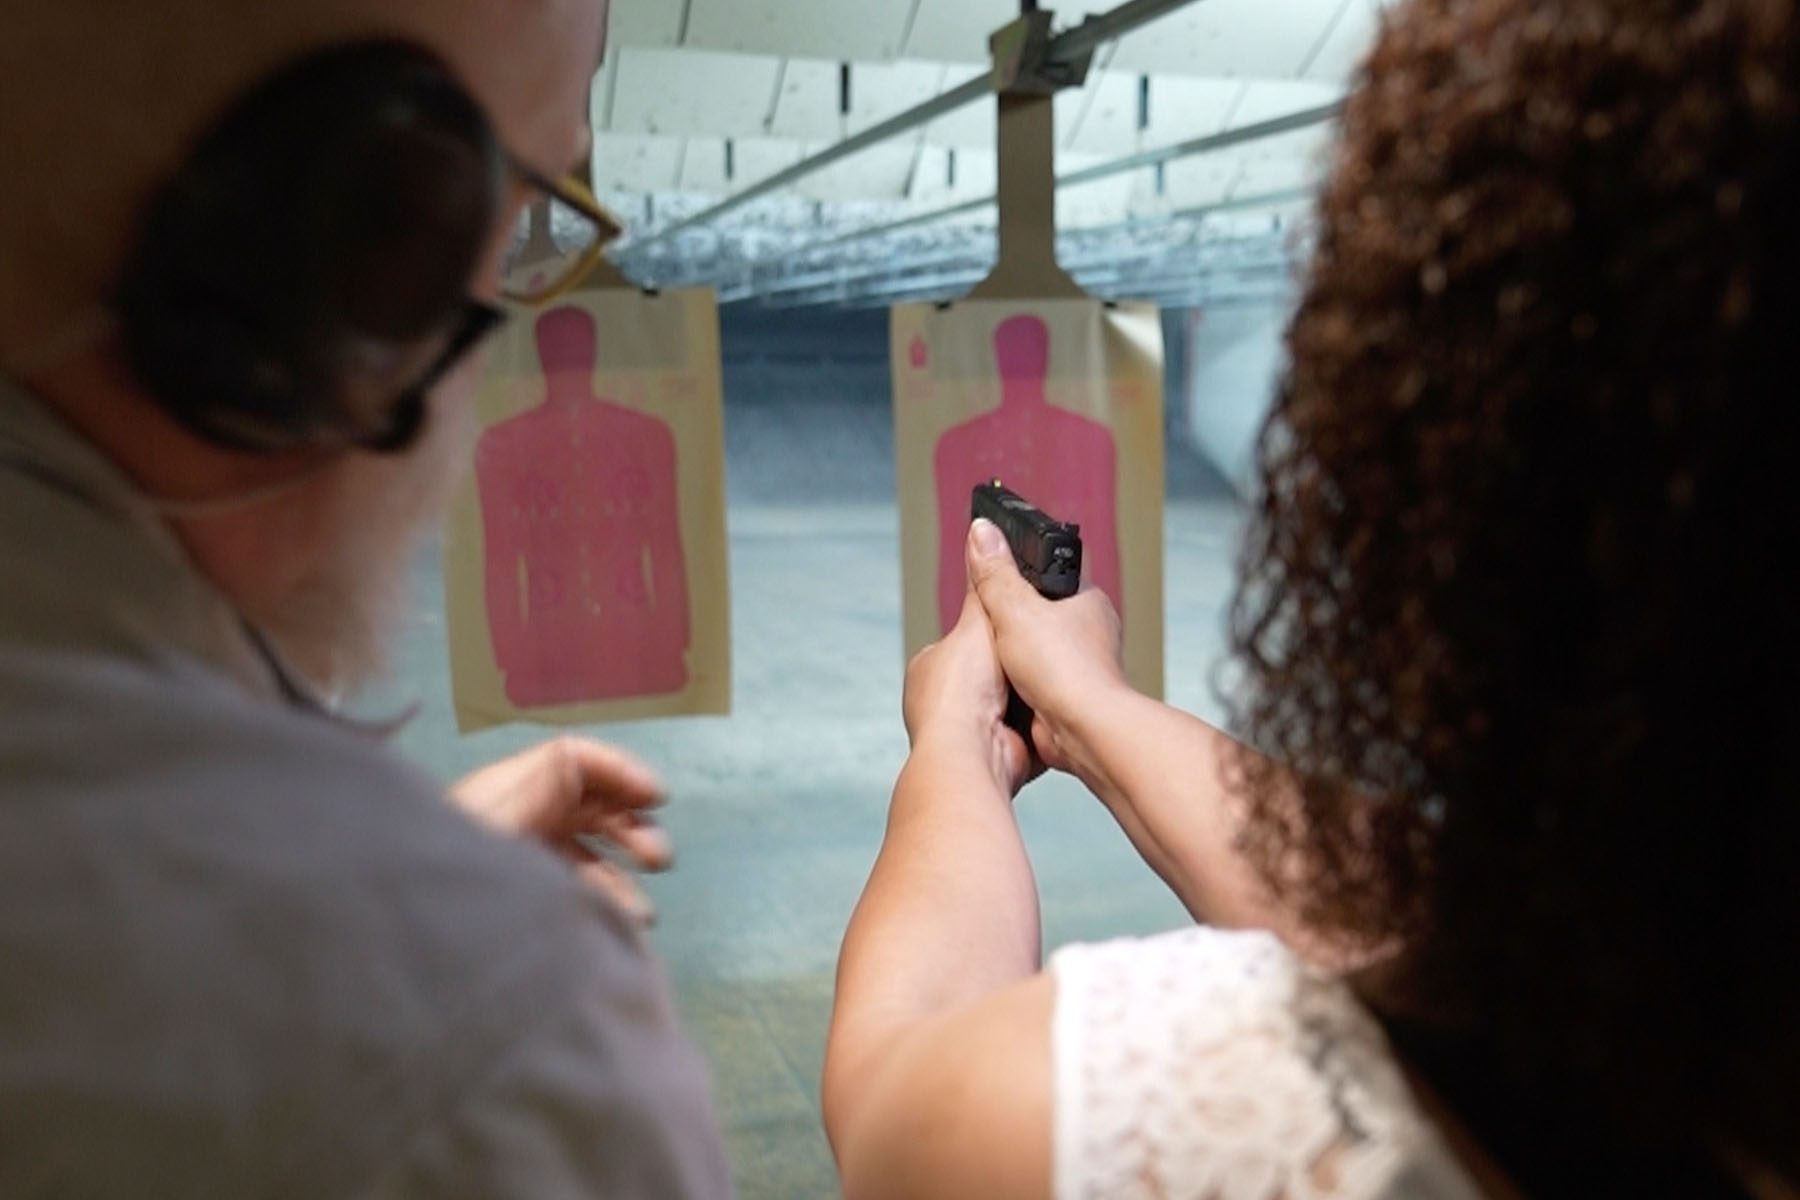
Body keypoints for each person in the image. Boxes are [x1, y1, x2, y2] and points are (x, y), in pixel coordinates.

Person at [824, 0, 1800, 1196]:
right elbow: (1403, 921)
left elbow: (896, 1101)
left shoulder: (1243, 1122)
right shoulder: (1688, 999)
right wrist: (1086, 705)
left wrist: (951, 754)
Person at [0, 1, 730, 1194]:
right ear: (355, 271)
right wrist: (425, 933)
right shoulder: (488, 1056)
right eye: (526, 216)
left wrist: (376, 872)